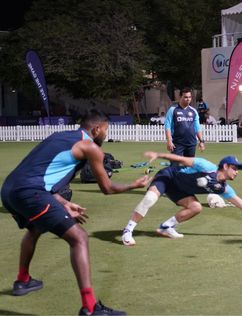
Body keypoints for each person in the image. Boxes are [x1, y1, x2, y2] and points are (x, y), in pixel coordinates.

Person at [0, 109, 150, 315]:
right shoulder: (90, 147)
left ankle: (23, 280)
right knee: (79, 238)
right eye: (106, 130)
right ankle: (90, 308)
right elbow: (107, 188)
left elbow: (39, 172)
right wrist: (134, 185)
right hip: (29, 192)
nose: (107, 135)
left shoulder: (59, 136)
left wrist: (62, 202)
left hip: (9, 190)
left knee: (34, 228)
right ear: (96, 129)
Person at [121, 152, 242, 246]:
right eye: (234, 168)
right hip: (169, 176)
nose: (237, 172)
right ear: (226, 166)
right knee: (149, 199)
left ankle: (166, 227)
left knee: (196, 207)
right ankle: (128, 231)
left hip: (180, 190)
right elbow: (181, 159)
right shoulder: (206, 166)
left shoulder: (223, 188)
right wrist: (159, 155)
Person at [164, 88, 205, 165]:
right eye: (185, 97)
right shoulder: (173, 110)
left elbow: (197, 127)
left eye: (189, 97)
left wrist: (201, 141)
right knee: (174, 167)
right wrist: (169, 140)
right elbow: (167, 126)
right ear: (180, 97)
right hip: (177, 143)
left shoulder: (193, 111)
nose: (188, 99)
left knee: (189, 168)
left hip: (191, 143)